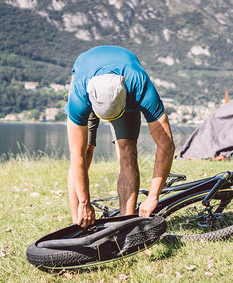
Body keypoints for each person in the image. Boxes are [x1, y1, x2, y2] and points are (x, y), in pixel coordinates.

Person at [65, 45, 175, 228]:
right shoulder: (79, 93)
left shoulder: (139, 85)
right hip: (88, 83)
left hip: (126, 91)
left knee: (128, 151)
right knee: (84, 152)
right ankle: (78, 223)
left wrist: (153, 197)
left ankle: (126, 223)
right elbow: (75, 155)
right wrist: (85, 203)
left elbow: (167, 145)